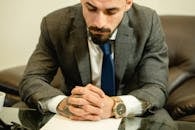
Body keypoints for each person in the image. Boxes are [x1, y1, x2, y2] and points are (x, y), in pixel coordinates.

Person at [19, 0, 169, 121]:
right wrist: (63, 104)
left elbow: (156, 87)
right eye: (91, 8)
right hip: (75, 114)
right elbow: (32, 79)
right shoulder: (54, 24)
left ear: (128, 3)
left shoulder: (147, 22)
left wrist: (113, 106)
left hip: (130, 113)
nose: (99, 23)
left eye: (111, 11)